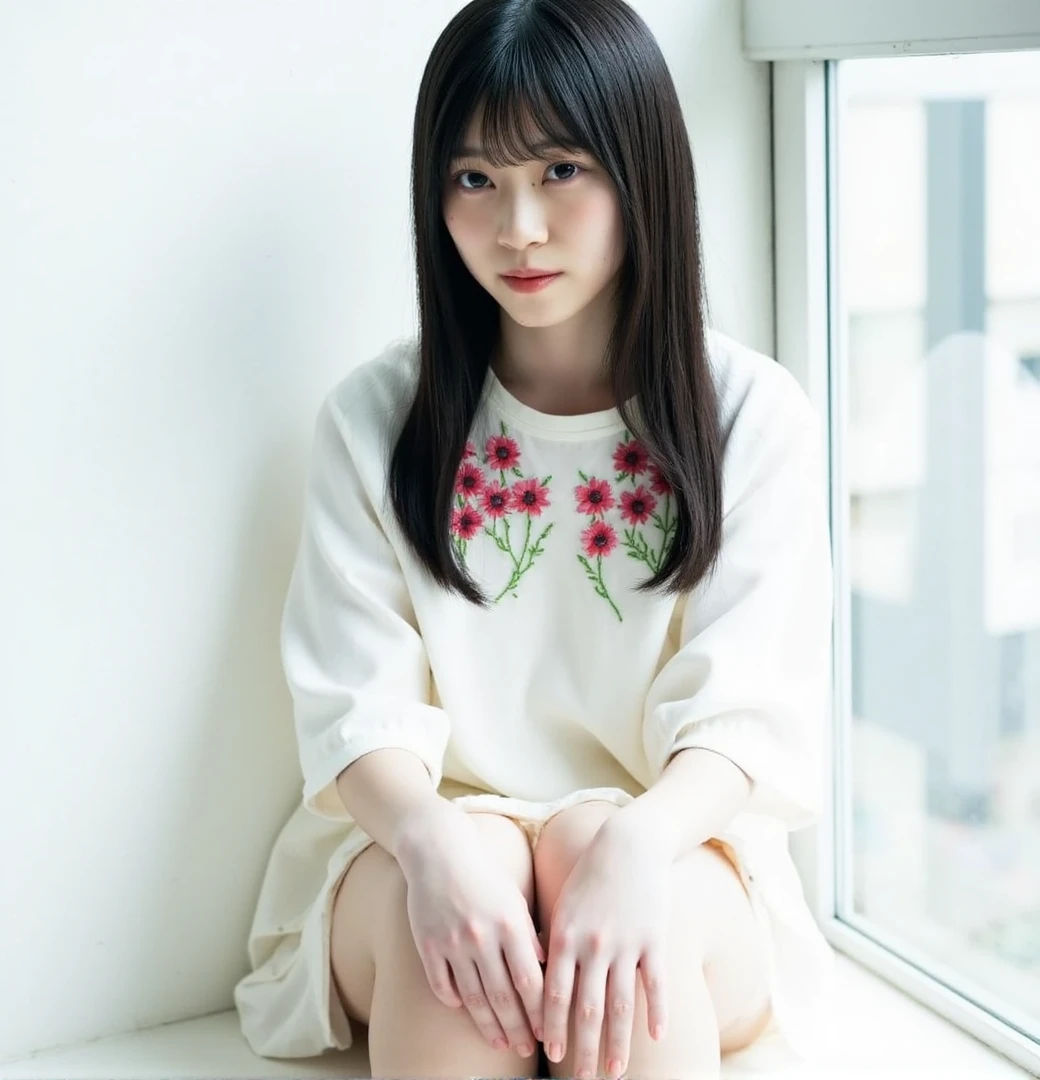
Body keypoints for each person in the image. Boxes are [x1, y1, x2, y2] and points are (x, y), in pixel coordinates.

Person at [234, 0, 837, 1076]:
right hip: (417, 852)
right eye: (474, 180)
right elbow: (354, 706)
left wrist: (634, 845)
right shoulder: (378, 417)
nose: (517, 229)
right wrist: (434, 849)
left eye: (559, 171)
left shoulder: (750, 413)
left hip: (679, 854)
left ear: (638, 169)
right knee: (470, 872)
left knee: (598, 860)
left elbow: (745, 716)